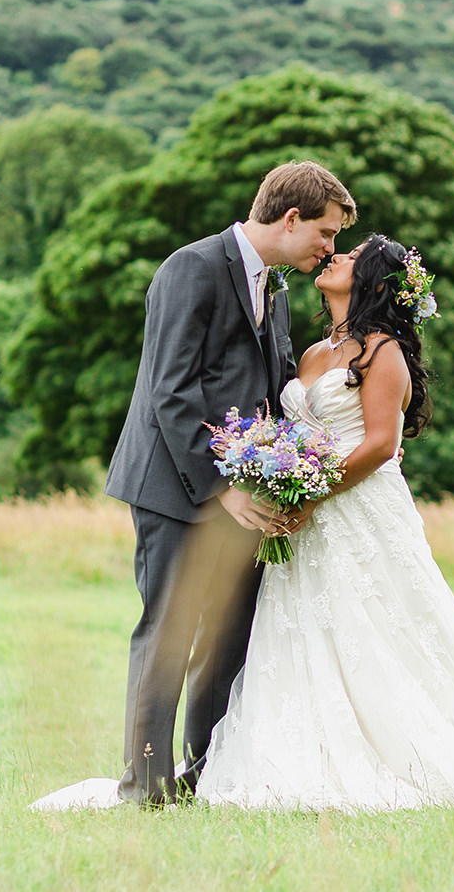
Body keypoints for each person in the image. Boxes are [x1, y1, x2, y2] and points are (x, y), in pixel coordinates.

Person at [193, 235, 454, 811]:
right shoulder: (316, 353)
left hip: (357, 507)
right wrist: (274, 474)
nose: (334, 257)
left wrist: (312, 494)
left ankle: (406, 754)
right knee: (303, 627)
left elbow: (382, 443)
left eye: (350, 256)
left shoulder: (382, 351)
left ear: (370, 282)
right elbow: (296, 432)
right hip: (304, 514)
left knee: (374, 623)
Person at [31, 161, 356, 812]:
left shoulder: (279, 289)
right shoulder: (191, 268)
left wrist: (293, 473)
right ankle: (142, 788)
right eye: (324, 232)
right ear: (289, 219)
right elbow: (170, 392)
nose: (329, 248)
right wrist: (220, 486)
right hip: (176, 487)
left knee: (229, 637)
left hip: (249, 494)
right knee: (169, 633)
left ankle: (205, 775)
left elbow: (271, 391)